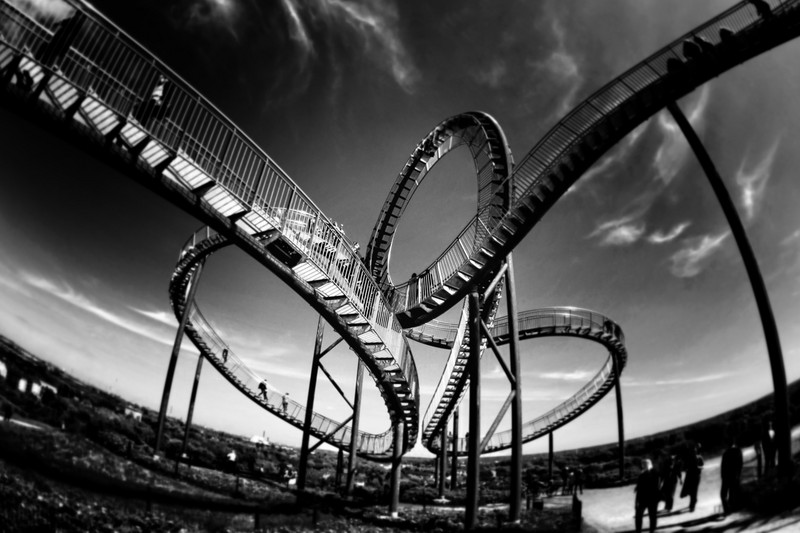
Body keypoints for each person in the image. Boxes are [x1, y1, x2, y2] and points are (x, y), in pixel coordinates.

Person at [634, 459, 660, 533]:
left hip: (652, 498)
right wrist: (636, 502)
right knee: (638, 515)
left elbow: (656, 486)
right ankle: (638, 531)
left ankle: (652, 530)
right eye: (643, 464)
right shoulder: (642, 475)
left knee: (652, 516)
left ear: (650, 464)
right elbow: (639, 489)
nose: (644, 466)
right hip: (643, 498)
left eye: (645, 464)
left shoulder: (655, 473)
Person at [720, 439, 744, 514]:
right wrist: (738, 474)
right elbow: (740, 464)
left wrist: (723, 476)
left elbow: (723, 467)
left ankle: (727, 509)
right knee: (733, 491)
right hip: (735, 475)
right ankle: (734, 507)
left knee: (723, 494)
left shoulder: (726, 453)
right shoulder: (738, 451)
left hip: (727, 476)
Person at [681, 444, 704, 512]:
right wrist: (685, 469)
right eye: (692, 451)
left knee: (694, 491)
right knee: (691, 491)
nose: (693, 452)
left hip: (696, 476)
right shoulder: (688, 458)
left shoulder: (699, 457)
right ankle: (693, 501)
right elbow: (683, 468)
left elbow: (702, 466)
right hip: (689, 476)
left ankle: (692, 506)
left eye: (694, 451)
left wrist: (697, 467)